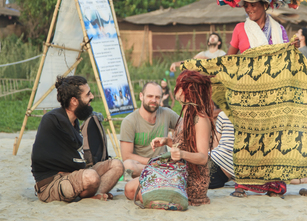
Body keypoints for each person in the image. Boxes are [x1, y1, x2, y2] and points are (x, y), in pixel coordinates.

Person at [125, 70, 215, 206]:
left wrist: (181, 154)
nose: (174, 90)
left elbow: (202, 157)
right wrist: (167, 141)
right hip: (178, 172)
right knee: (129, 189)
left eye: (178, 87)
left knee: (133, 190)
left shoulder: (200, 118)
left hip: (190, 179)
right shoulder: (185, 114)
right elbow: (186, 146)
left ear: (187, 91)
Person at [31, 76, 124, 202]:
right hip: (52, 183)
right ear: (74, 101)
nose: (92, 97)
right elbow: (40, 159)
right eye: (88, 94)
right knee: (91, 176)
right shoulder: (53, 119)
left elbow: (77, 161)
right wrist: (80, 165)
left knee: (117, 165)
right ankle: (90, 195)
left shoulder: (74, 123)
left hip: (76, 174)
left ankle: (94, 195)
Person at [120, 82, 179, 178]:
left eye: (157, 97)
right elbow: (127, 156)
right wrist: (154, 163)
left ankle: (162, 172)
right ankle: (160, 173)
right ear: (141, 96)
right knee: (127, 165)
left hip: (164, 162)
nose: (154, 100)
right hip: (144, 166)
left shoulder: (167, 113)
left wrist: (174, 141)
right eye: (150, 96)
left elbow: (186, 128)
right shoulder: (129, 121)